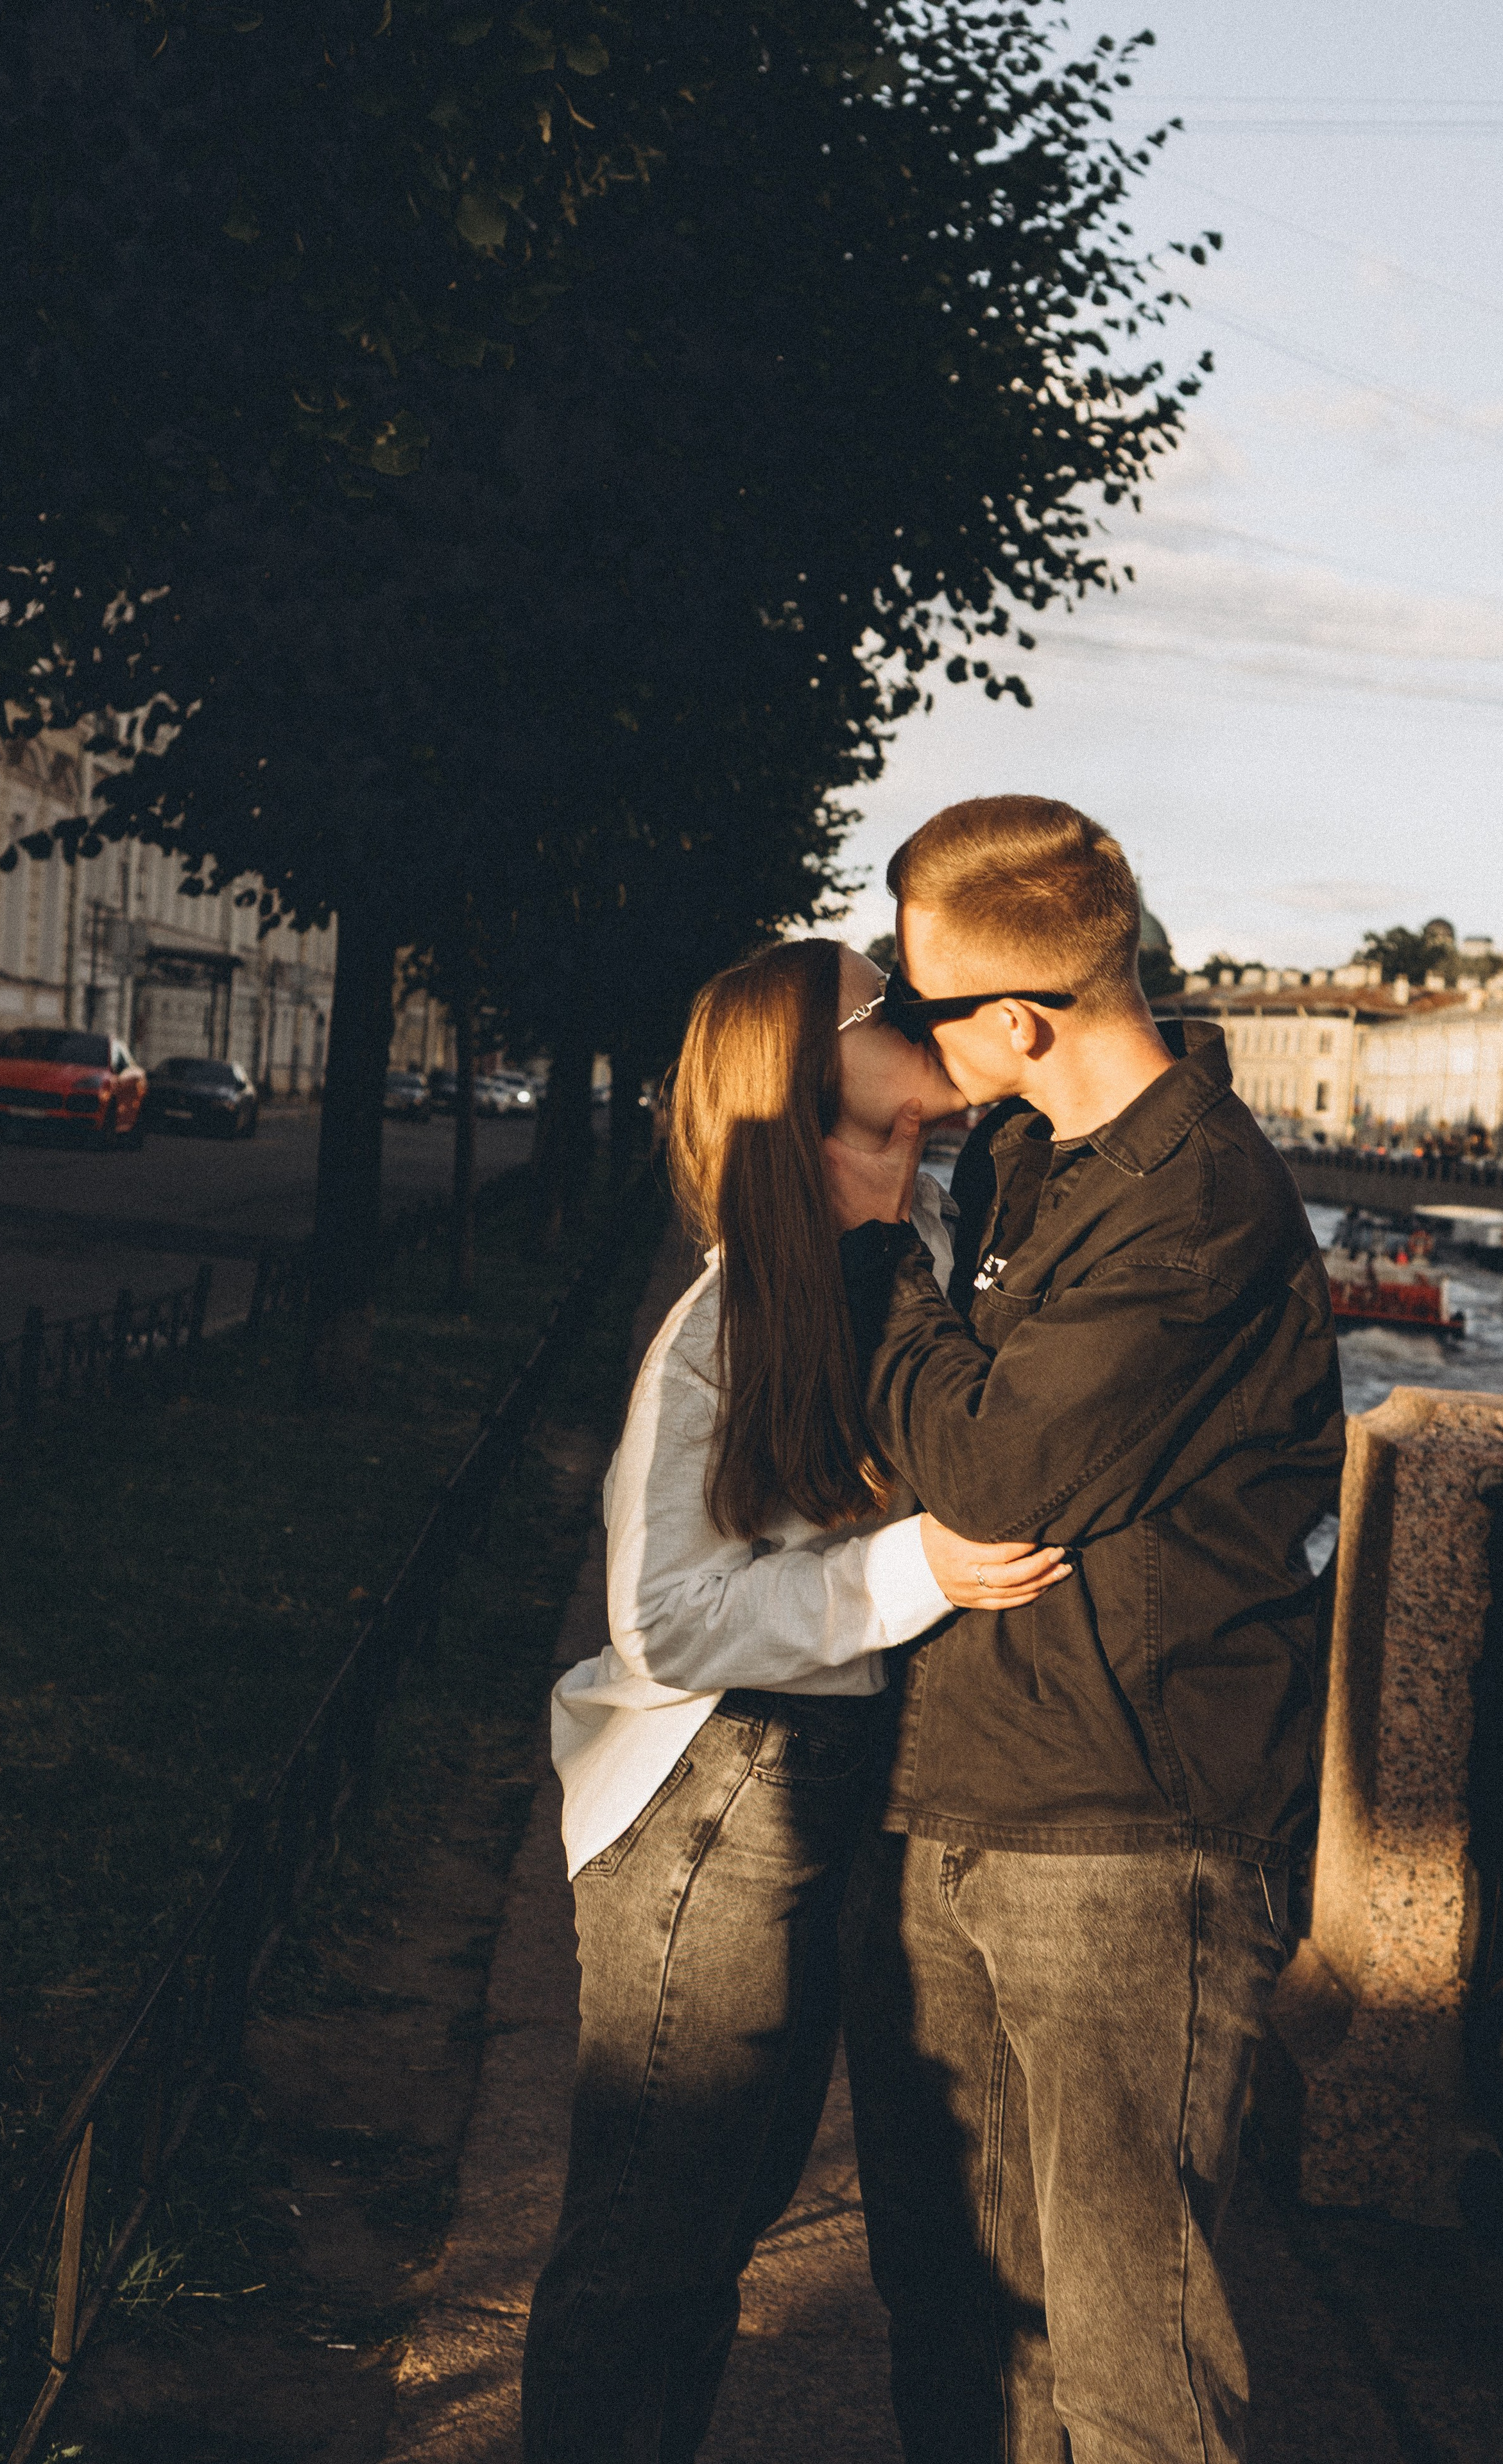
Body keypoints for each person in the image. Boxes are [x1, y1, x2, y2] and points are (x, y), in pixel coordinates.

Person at [824, 796, 1346, 2464]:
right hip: (952, 1805)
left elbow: (992, 1474)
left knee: (1130, 2377)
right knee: (959, 2337)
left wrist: (863, 1254)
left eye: (922, 1001)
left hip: (1127, 1854)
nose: (903, 1035)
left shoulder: (1201, 1206)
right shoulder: (1023, 1155)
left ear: (1023, 1020)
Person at [521, 936, 1072, 2463]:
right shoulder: (721, 1324)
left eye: (920, 1134)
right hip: (710, 1800)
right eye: (864, 1131)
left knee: (712, 2224)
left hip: (811, 1786)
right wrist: (917, 1574)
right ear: (769, 1127)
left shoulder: (871, 1266)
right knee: (647, 2245)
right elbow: (660, 1621)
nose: (904, 1174)